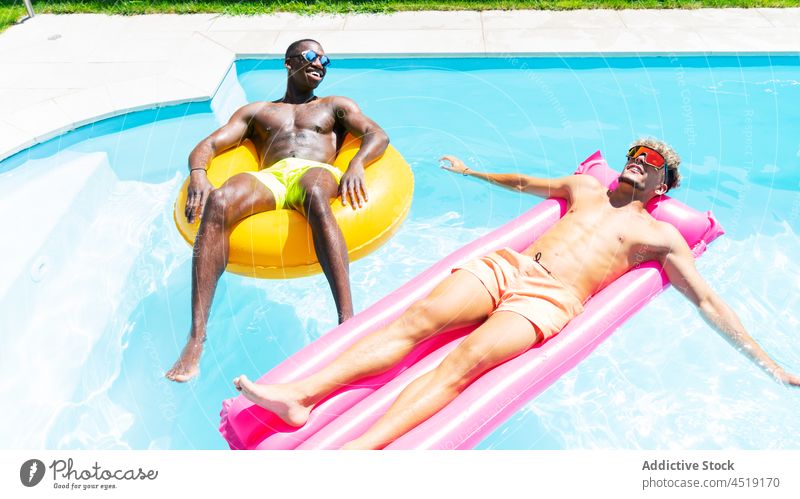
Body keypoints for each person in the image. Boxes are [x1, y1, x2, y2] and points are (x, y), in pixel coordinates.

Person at [232, 138, 799, 448]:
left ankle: (359, 455)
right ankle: (300, 397)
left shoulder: (662, 235)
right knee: (415, 320)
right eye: (635, 152)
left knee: (462, 363)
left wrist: (769, 364)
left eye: (649, 162)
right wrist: (471, 172)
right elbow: (526, 183)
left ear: (664, 186)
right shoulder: (585, 186)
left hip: (548, 301)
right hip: (510, 268)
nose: (636, 160)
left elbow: (706, 301)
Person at [166, 39, 389, 382]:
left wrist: (357, 163)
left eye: (325, 59)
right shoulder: (257, 112)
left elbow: (377, 134)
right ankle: (196, 338)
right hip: (272, 177)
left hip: (316, 173)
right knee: (219, 200)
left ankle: (347, 323)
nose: (321, 63)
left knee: (314, 194)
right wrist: (198, 174)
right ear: (289, 62)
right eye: (312, 56)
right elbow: (209, 145)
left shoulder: (334, 106)